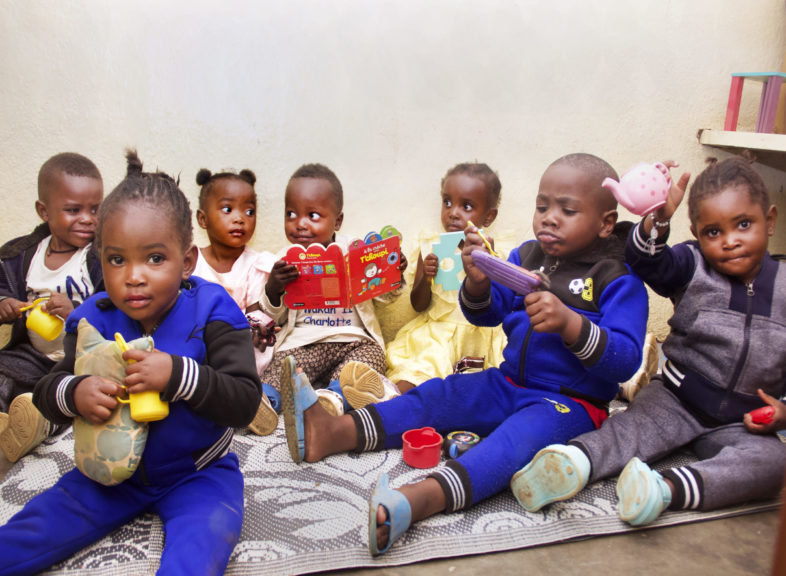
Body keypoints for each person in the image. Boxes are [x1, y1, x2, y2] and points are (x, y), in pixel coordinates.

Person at [279, 153, 648, 555]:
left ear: (605, 223)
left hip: (569, 404)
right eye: (542, 206)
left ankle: (418, 499)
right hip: (507, 383)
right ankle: (332, 432)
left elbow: (625, 359)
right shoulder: (526, 257)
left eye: (567, 209)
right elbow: (489, 314)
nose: (549, 217)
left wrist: (572, 325)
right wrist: (476, 284)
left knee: (513, 443)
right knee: (439, 394)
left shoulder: (616, 278)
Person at [0, 151, 261, 575]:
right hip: (106, 474)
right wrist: (75, 392)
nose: (133, 276)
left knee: (200, 551)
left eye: (155, 259)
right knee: (29, 533)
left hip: (199, 473)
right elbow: (48, 390)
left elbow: (245, 401)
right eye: (116, 259)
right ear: (99, 259)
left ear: (187, 261)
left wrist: (177, 374)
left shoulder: (214, 310)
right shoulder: (92, 319)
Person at [511, 157, 786, 527]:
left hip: (744, 420)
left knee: (774, 464)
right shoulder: (692, 266)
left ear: (769, 220)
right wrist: (658, 219)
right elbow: (644, 259)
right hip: (677, 399)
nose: (730, 241)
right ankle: (570, 464)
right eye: (713, 232)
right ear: (697, 233)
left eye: (743, 225)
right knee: (629, 430)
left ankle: (665, 489)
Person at [338, 162, 509, 409]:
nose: (453, 212)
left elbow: (502, 303)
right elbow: (418, 305)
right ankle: (390, 400)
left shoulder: (497, 254)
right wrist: (426, 278)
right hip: (439, 333)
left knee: (490, 384)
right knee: (423, 364)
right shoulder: (431, 248)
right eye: (447, 202)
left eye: (467, 206)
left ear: (489, 216)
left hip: (482, 335)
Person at [255, 163, 406, 421]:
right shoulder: (283, 259)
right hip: (303, 343)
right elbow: (273, 317)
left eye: (312, 215)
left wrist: (392, 274)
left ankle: (334, 398)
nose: (299, 224)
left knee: (368, 363)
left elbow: (382, 296)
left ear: (337, 221)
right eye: (291, 214)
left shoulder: (355, 251)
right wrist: (273, 288)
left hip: (352, 340)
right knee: (283, 365)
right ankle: (266, 402)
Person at [0, 152, 103, 462]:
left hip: (77, 359)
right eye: (73, 210)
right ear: (43, 211)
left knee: (70, 395)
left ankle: (37, 423)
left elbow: (113, 305)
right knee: (3, 370)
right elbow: (2, 284)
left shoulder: (99, 258)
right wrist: (4, 303)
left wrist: (75, 313)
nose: (87, 219)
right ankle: (7, 421)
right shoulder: (24, 254)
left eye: (95, 210)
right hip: (32, 353)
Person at [193, 167, 280, 435]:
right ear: (203, 219)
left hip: (242, 348)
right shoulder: (190, 262)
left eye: (249, 211)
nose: (240, 219)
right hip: (203, 344)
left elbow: (256, 311)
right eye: (228, 210)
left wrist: (259, 329)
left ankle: (258, 403)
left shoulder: (258, 264)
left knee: (266, 358)